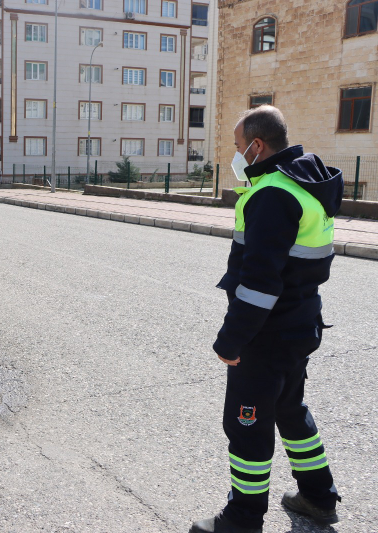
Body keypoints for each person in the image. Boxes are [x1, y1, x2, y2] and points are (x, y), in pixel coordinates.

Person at [191, 106, 343, 533]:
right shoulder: (305, 182)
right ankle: (318, 496)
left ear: (257, 146)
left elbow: (259, 285)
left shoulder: (271, 194)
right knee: (289, 410)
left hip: (268, 333)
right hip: (301, 323)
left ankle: (242, 519)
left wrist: (230, 342)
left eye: (238, 147)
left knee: (246, 423)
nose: (236, 155)